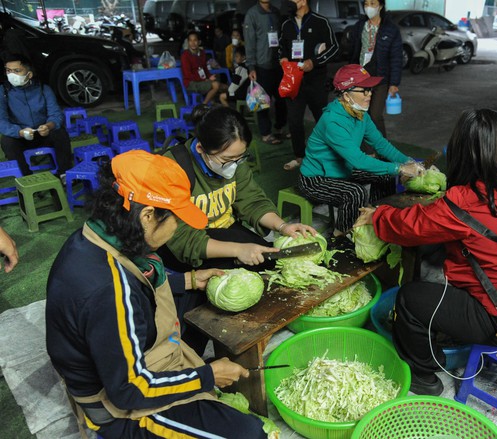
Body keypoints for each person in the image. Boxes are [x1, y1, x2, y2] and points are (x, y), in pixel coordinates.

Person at [45, 150, 267, 438]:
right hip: (117, 408)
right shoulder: (109, 290)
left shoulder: (94, 238)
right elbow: (129, 391)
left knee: (204, 295)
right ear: (148, 216)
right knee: (249, 433)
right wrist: (207, 376)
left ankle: (187, 374)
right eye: (175, 219)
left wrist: (188, 281)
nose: (176, 229)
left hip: (127, 361)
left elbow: (141, 288)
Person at [355, 109, 497, 395]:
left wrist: (377, 215)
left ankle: (423, 375)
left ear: (460, 149)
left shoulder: (465, 202)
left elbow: (412, 226)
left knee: (409, 298)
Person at [159, 105, 317, 272]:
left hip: (225, 228)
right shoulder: (171, 169)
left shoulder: (234, 161)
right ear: (200, 149)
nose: (234, 166)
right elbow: (182, 240)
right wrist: (238, 250)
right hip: (186, 243)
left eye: (240, 158)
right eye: (227, 159)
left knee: (268, 259)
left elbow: (252, 201)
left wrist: (283, 226)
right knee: (247, 270)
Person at [297, 64, 422, 235]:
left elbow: (381, 144)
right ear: (346, 95)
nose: (370, 94)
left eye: (370, 89)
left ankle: (377, 219)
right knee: (354, 193)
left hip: (342, 171)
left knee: (385, 174)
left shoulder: (361, 115)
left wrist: (408, 161)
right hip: (316, 179)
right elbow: (358, 160)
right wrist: (399, 168)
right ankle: (341, 236)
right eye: (364, 90)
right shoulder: (332, 121)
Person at [279, 0, 338, 171]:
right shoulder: (286, 23)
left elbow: (334, 47)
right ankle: (300, 157)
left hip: (316, 80)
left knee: (322, 119)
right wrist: (282, 57)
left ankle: (328, 155)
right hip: (294, 81)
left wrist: (315, 62)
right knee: (294, 120)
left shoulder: (321, 22)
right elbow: (281, 46)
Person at [0, 53, 72, 176]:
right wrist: (19, 132)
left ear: (29, 74)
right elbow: (1, 121)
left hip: (43, 133)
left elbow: (56, 114)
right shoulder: (4, 91)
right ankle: (26, 177)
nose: (12, 75)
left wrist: (48, 126)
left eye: (17, 71)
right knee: (7, 141)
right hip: (20, 137)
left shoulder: (44, 89)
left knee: (60, 133)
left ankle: (64, 174)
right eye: (8, 71)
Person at [349, 0, 402, 138]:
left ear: (381, 6)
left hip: (380, 79)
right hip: (361, 78)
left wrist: (394, 83)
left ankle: (383, 151)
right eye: (366, 4)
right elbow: (353, 51)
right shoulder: (360, 26)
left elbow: (396, 58)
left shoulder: (391, 29)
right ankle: (368, 151)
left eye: (373, 3)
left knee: (375, 115)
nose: (369, 7)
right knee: (362, 115)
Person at [244, 0, 288, 145]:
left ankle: (280, 127)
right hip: (261, 66)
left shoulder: (276, 12)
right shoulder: (252, 14)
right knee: (263, 102)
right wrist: (251, 66)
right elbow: (249, 42)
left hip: (278, 64)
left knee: (282, 98)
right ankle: (266, 133)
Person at [181, 31, 221, 105]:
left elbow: (205, 68)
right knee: (216, 85)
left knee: (221, 83)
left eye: (195, 40)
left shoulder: (202, 53)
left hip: (201, 80)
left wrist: (209, 76)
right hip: (191, 83)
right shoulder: (185, 55)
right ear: (188, 42)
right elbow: (188, 75)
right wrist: (204, 79)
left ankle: (212, 102)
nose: (193, 43)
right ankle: (203, 105)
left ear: (199, 42)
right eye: (190, 40)